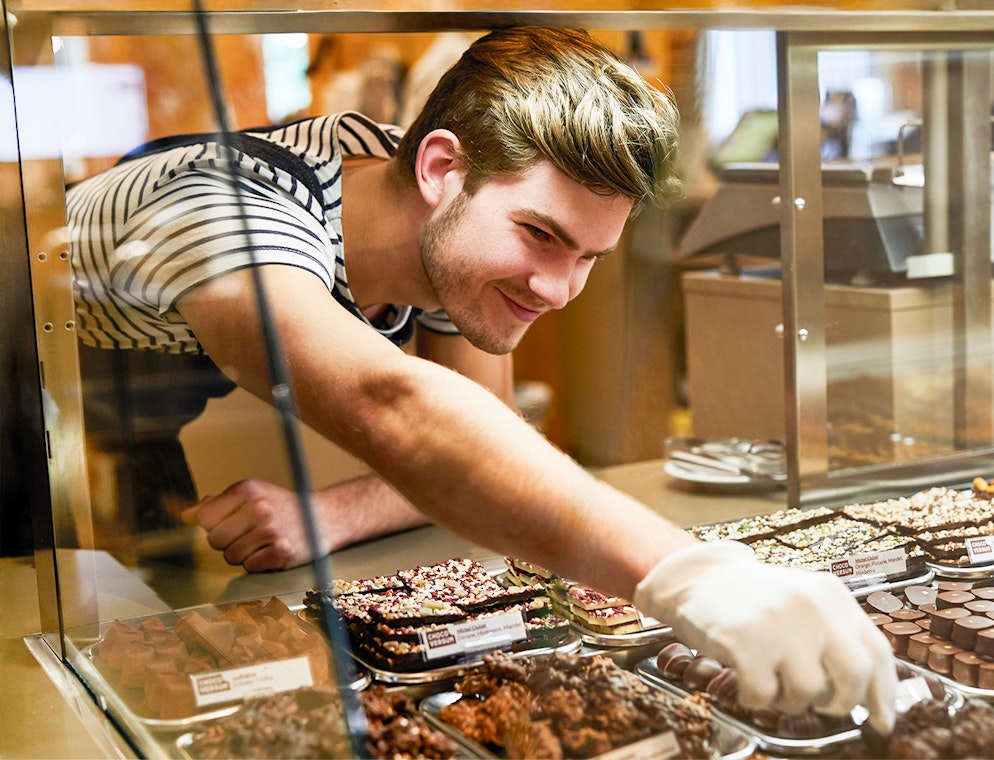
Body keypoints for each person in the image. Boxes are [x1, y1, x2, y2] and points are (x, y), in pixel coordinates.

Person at [67, 26, 897, 730]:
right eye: (539, 233)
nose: (558, 290)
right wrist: (687, 573)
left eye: (588, 258)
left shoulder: (423, 228)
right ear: (439, 168)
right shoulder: (222, 207)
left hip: (143, 447)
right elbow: (394, 405)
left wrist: (332, 515)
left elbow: (479, 431)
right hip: (34, 437)